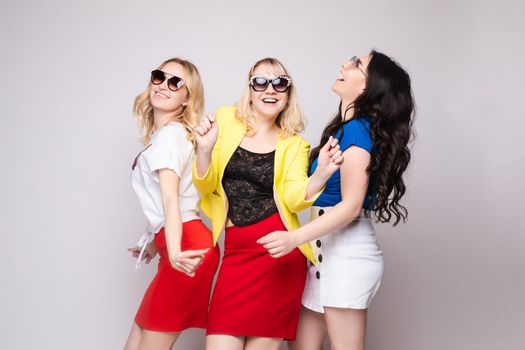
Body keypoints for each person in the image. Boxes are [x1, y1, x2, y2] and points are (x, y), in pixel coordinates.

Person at [258, 50, 415, 350]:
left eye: (357, 65)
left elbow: (351, 206)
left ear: (368, 88)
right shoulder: (346, 128)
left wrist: (293, 239)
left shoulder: (357, 132)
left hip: (346, 257)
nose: (345, 64)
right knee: (302, 342)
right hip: (324, 255)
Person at [192, 58, 343, 350]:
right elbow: (206, 186)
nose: (269, 89)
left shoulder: (294, 144)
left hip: (278, 258)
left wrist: (321, 174)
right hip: (235, 255)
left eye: (280, 83)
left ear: (288, 93)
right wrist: (204, 150)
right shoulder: (224, 121)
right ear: (249, 90)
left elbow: (293, 197)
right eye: (260, 82)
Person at [124, 58, 220, 350]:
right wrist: (156, 243)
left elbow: (171, 199)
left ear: (186, 98)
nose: (164, 85)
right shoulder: (164, 136)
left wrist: (175, 249)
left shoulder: (170, 137)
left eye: (175, 82)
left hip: (187, 247)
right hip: (179, 244)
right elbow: (170, 201)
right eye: (159, 77)